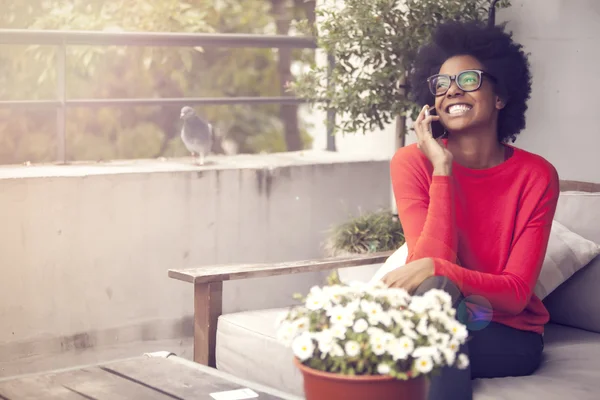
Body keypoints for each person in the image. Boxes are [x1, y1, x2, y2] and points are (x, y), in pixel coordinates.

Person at [381, 21, 560, 400]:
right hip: (436, 314)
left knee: (417, 345)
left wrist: (438, 270)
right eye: (441, 84)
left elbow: (514, 294)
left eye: (469, 79)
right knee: (436, 326)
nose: (452, 91)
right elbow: (431, 270)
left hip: (506, 333)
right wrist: (442, 169)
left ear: (500, 96)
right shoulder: (413, 163)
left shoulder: (536, 175)